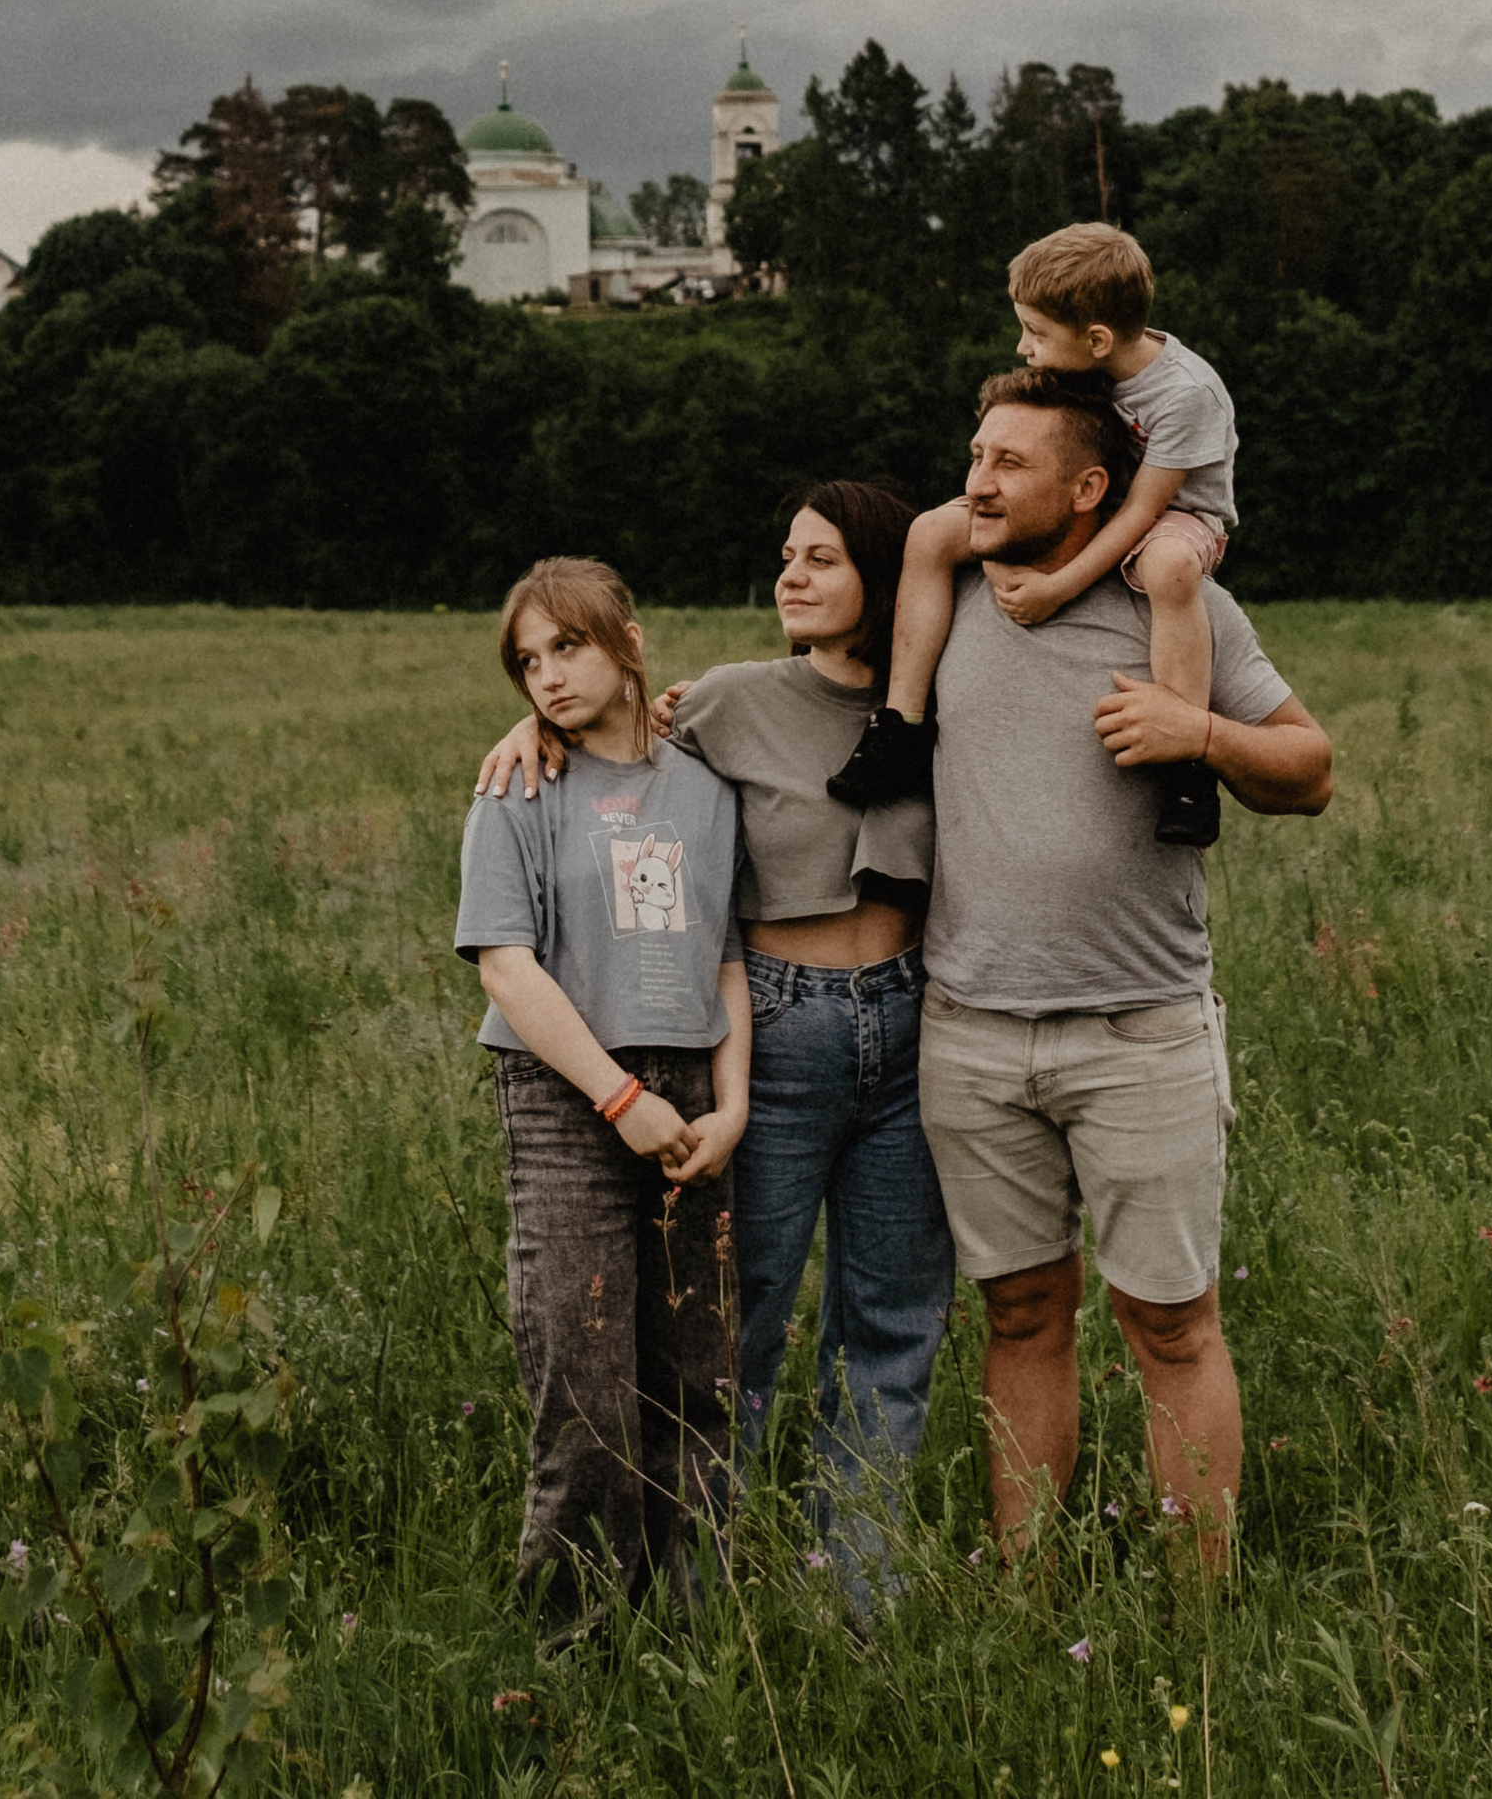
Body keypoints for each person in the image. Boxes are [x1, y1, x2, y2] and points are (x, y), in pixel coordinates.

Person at [475, 484, 956, 1608]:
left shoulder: (949, 698)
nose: (789, 575)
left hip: (913, 1020)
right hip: (775, 1021)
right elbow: (613, 741)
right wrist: (532, 722)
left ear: (885, 578)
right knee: (732, 1330)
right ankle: (691, 1597)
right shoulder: (733, 700)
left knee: (890, 1325)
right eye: (786, 554)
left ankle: (854, 1599)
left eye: (821, 558)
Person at [910, 365, 1331, 1570]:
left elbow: (1310, 770)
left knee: (1170, 1322)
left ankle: (1199, 1617)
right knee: (1019, 1313)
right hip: (970, 1030)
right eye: (976, 456)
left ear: (1091, 487)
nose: (979, 482)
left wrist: (1198, 732)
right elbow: (809, 687)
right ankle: (1025, 1595)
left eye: (1010, 463)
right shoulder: (943, 596)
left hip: (1138, 1033)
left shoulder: (1174, 599)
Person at [455, 556, 750, 1615]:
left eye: (568, 646)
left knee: (699, 1385)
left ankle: (692, 1629)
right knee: (586, 1393)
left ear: (627, 640)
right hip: (568, 1098)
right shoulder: (518, 789)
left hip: (694, 1097)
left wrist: (732, 1106)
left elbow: (726, 955)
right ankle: (570, 1647)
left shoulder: (708, 788)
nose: (547, 676)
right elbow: (505, 966)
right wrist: (621, 1102)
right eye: (528, 661)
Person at [831, 224, 1238, 848]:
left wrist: (1058, 587)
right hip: (1094, 497)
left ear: (1097, 340)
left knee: (1168, 568)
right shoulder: (1086, 363)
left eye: (1036, 333)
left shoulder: (1186, 394)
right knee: (931, 532)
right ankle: (900, 726)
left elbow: (1140, 512)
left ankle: (1186, 771)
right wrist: (998, 552)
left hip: (1174, 515)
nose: (1024, 347)